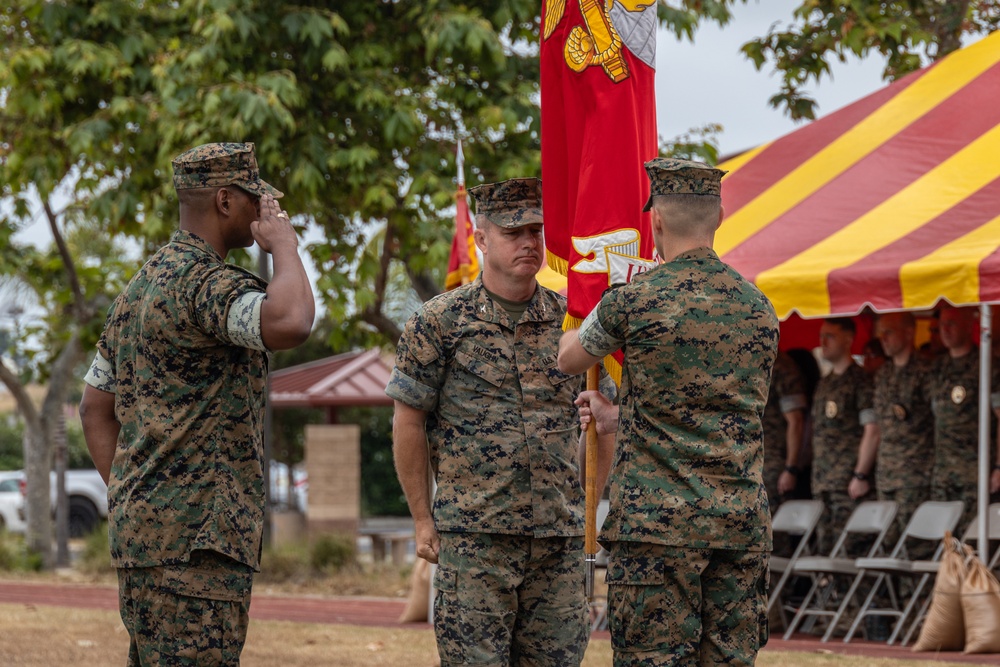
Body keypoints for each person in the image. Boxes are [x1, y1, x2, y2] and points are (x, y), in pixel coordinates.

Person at [78, 142, 315, 666]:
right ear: (226, 201)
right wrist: (285, 248)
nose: (264, 211)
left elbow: (94, 406)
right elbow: (291, 321)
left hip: (146, 543)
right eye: (256, 199)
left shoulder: (141, 287)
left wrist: (136, 496)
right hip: (197, 548)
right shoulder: (204, 284)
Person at [385, 177, 614, 666]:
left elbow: (602, 419)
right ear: (481, 238)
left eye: (536, 231)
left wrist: (588, 508)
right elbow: (408, 422)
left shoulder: (572, 324)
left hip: (557, 543)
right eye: (514, 233)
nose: (529, 243)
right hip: (475, 540)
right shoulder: (439, 322)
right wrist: (422, 517)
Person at [559, 158, 778, 666]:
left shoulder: (633, 301)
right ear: (719, 217)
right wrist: (618, 416)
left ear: (654, 220)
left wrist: (588, 310)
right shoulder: (758, 306)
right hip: (738, 524)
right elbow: (708, 406)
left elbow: (569, 357)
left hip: (657, 532)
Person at [810, 318, 880, 555]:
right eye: (822, 336)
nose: (823, 342)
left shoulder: (860, 381)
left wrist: (860, 474)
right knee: (824, 551)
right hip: (823, 481)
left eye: (830, 336)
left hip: (847, 483)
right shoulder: (825, 383)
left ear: (848, 340)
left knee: (849, 551)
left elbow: (872, 430)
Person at [928, 305, 1000, 532]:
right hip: (942, 474)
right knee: (946, 544)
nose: (946, 330)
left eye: (952, 323)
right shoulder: (936, 368)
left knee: (972, 541)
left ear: (970, 325)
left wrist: (998, 466)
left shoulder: (988, 366)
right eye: (942, 325)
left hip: (975, 472)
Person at [872, 311, 934, 546]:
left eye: (889, 332)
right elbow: (878, 427)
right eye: (881, 333)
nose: (883, 339)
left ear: (909, 333)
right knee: (887, 545)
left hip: (916, 475)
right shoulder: (884, 374)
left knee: (915, 545)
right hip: (886, 475)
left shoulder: (926, 371)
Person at [761, 352, 807, 518]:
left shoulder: (781, 366)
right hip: (750, 462)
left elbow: (796, 421)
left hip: (773, 463)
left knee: (773, 528)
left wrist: (790, 468)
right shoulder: (746, 362)